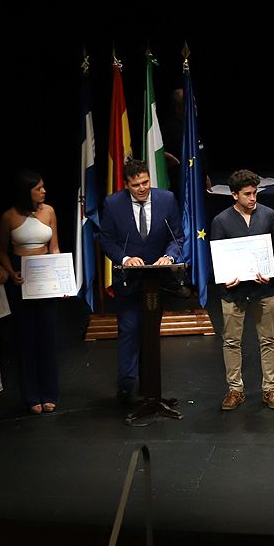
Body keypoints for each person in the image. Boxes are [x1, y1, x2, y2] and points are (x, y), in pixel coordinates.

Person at [96, 159, 186, 407]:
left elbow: (177, 235)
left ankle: (150, 389)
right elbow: (106, 240)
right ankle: (126, 387)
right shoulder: (113, 204)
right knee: (129, 330)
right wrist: (125, 258)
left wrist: (168, 256)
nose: (142, 188)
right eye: (136, 185)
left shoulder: (167, 199)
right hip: (129, 280)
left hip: (157, 281)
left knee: (150, 332)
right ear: (127, 185)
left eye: (146, 182)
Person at [210, 169, 274, 410]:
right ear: (234, 195)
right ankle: (235, 389)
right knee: (232, 341)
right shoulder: (221, 221)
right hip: (234, 291)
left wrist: (272, 267)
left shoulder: (268, 215)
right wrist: (225, 279)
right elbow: (218, 257)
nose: (253, 198)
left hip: (263, 289)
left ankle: (270, 388)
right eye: (247, 194)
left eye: (255, 193)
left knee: (268, 339)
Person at [0, 171, 64, 413]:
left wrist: (63, 279)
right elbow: (2, 250)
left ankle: (49, 392)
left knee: (47, 335)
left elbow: (54, 246)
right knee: (26, 337)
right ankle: (31, 395)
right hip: (21, 276)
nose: (44, 191)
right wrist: (10, 271)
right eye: (39, 188)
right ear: (26, 192)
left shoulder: (49, 212)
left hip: (45, 274)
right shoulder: (9, 216)